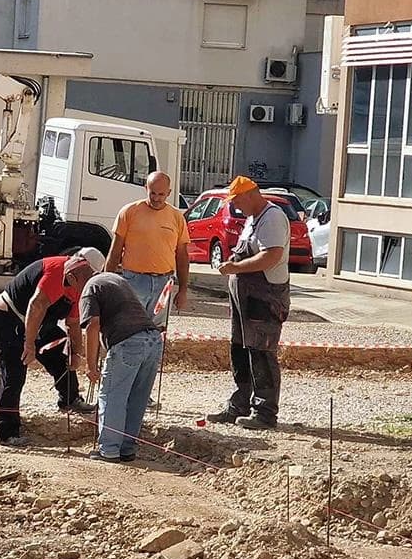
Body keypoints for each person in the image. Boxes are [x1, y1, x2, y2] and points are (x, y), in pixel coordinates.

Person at [0, 247, 105, 446]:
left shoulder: (80, 284)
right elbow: (37, 305)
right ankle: (6, 432)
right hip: (8, 318)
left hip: (38, 324)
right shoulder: (57, 270)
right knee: (14, 372)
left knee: (60, 354)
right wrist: (29, 344)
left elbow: (73, 323)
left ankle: (70, 399)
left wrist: (76, 353)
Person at [204, 176, 291, 430]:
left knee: (261, 352)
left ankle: (265, 412)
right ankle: (240, 404)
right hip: (246, 297)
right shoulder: (253, 218)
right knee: (240, 349)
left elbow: (271, 256)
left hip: (264, 297)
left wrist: (236, 267)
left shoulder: (272, 218)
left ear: (251, 195)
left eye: (237, 201)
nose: (236, 207)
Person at [80, 271, 164, 462]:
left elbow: (93, 326)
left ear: (72, 277)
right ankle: (127, 448)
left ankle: (109, 449)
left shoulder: (90, 288)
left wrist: (91, 366)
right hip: (153, 340)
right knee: (137, 398)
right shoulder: (115, 280)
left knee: (112, 396)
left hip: (129, 342)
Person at [105, 171, 191, 327]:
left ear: (169, 193)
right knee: (130, 327)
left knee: (157, 331)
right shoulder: (129, 212)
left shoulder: (177, 217)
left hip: (164, 283)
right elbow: (115, 251)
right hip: (133, 281)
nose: (156, 198)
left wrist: (183, 289)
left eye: (161, 194)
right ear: (146, 188)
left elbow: (182, 256)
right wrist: (107, 283)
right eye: (153, 193)